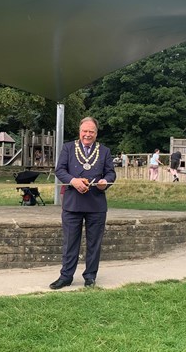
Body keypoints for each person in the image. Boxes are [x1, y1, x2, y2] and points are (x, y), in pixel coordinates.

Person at [50, 117, 116, 289]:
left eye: (91, 132)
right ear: (79, 132)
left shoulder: (105, 151)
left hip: (96, 204)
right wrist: (73, 181)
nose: (87, 135)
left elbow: (111, 174)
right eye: (85, 131)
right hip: (73, 203)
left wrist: (105, 183)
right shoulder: (68, 148)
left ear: (96, 133)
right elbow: (60, 170)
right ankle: (66, 276)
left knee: (94, 242)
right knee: (70, 241)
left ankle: (90, 276)